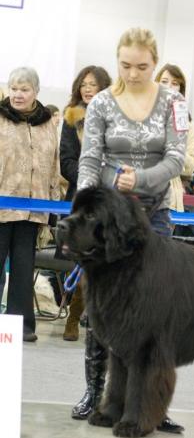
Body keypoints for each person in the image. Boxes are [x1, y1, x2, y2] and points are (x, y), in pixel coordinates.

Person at [74, 26, 188, 434]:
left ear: (154, 62)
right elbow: (90, 158)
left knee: (155, 318)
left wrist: (138, 180)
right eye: (125, 65)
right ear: (117, 60)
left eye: (142, 66)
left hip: (154, 216)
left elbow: (176, 160)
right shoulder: (102, 102)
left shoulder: (174, 102)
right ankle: (96, 394)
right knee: (102, 309)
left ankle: (152, 403)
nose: (134, 73)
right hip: (106, 223)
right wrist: (85, 205)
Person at [0, 67, 60, 342]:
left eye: (24, 89)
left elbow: (54, 163)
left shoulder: (47, 122)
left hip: (33, 207)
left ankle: (22, 325)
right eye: (14, 88)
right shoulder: (0, 117)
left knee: (24, 268)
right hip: (2, 206)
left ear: (36, 92)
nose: (17, 94)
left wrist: (53, 206)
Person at [59, 65, 112, 341]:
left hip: (108, 198)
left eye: (93, 84)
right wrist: (88, 179)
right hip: (80, 198)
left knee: (105, 260)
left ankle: (98, 321)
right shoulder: (70, 119)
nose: (88, 89)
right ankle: (73, 315)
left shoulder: (115, 116)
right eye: (84, 84)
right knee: (81, 258)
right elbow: (66, 160)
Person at [154, 63, 194, 212]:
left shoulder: (188, 124)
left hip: (169, 200)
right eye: (164, 82)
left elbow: (190, 167)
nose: (169, 87)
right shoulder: (141, 113)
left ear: (181, 89)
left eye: (175, 83)